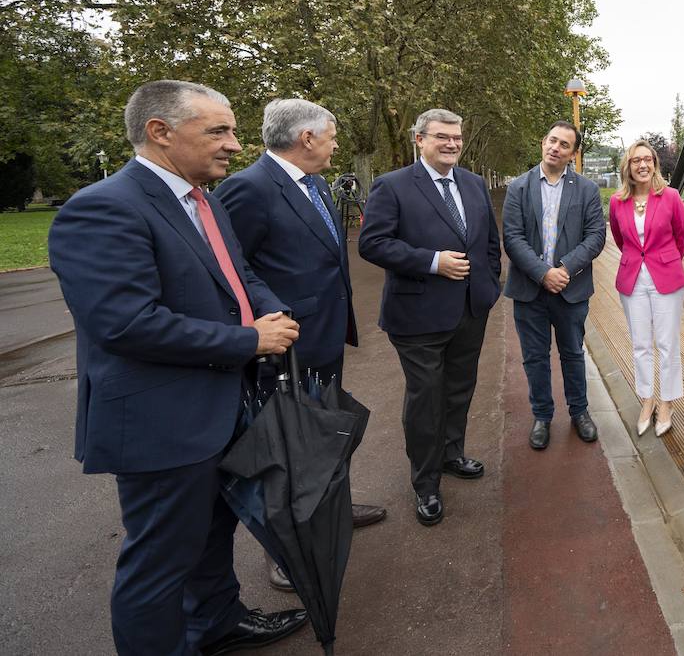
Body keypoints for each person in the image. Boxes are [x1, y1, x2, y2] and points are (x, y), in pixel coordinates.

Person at [47, 80, 308, 655]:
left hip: (221, 407)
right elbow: (126, 324)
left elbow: (237, 275)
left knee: (213, 533)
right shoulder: (102, 208)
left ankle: (215, 623)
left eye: (233, 130)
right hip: (162, 422)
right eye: (218, 130)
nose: (234, 145)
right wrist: (248, 339)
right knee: (159, 564)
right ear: (159, 132)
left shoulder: (203, 198)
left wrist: (270, 308)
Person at [217, 98, 388, 591]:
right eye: (331, 136)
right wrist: (269, 322)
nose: (337, 145)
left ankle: (330, 508)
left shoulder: (314, 183)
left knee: (323, 430)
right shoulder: (247, 189)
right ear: (307, 138)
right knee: (286, 444)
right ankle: (284, 544)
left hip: (325, 335)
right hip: (284, 345)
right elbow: (234, 271)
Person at [357, 109, 501, 527]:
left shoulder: (473, 183)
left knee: (459, 390)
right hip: (417, 315)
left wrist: (488, 287)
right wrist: (432, 261)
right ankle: (426, 483)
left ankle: (452, 454)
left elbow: (489, 243)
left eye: (457, 137)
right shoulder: (393, 185)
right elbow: (373, 243)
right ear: (419, 139)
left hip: (470, 310)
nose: (452, 144)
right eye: (442, 137)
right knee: (425, 399)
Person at [502, 121, 607, 449]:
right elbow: (512, 237)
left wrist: (564, 269)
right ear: (542, 142)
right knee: (534, 357)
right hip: (529, 290)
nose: (555, 148)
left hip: (571, 289)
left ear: (572, 154)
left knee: (573, 353)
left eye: (564, 145)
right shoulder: (518, 187)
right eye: (551, 141)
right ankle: (542, 416)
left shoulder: (586, 189)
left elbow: (595, 236)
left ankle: (580, 412)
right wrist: (542, 273)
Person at [607, 139, 684, 437]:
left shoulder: (670, 197)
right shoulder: (617, 201)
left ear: (655, 163)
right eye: (635, 160)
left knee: (667, 344)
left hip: (666, 277)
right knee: (641, 344)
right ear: (627, 166)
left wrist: (663, 262)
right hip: (632, 280)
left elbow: (681, 237)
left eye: (647, 159)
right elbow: (620, 238)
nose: (642, 165)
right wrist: (638, 261)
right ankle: (647, 399)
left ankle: (667, 402)